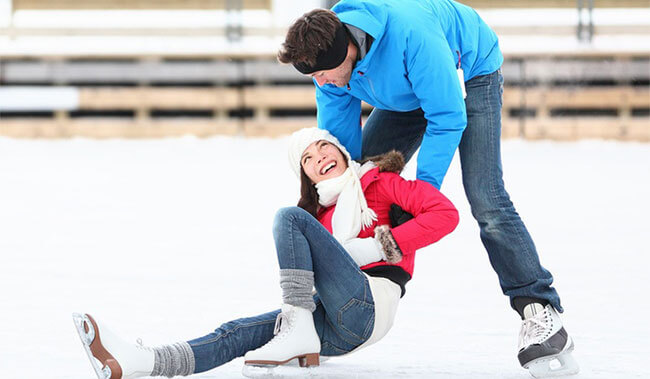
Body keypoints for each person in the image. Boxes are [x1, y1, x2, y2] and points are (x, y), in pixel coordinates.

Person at [277, 1, 578, 377]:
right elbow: (341, 146)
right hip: (408, 89)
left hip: (470, 73)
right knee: (362, 182)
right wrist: (342, 190)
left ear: (345, 52)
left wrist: (422, 196)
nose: (321, 82)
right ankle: (352, 287)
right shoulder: (329, 60)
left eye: (323, 73)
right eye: (314, 77)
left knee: (486, 197)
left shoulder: (411, 37)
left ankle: (538, 308)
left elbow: (447, 117)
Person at [73, 127, 459, 378]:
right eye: (307, 158)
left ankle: (296, 327)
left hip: (372, 302)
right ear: (306, 175)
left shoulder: (381, 183)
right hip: (340, 327)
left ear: (340, 150)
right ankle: (146, 362)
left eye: (323, 145)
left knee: (287, 218)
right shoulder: (318, 217)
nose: (319, 155)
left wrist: (380, 245)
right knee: (238, 332)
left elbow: (446, 214)